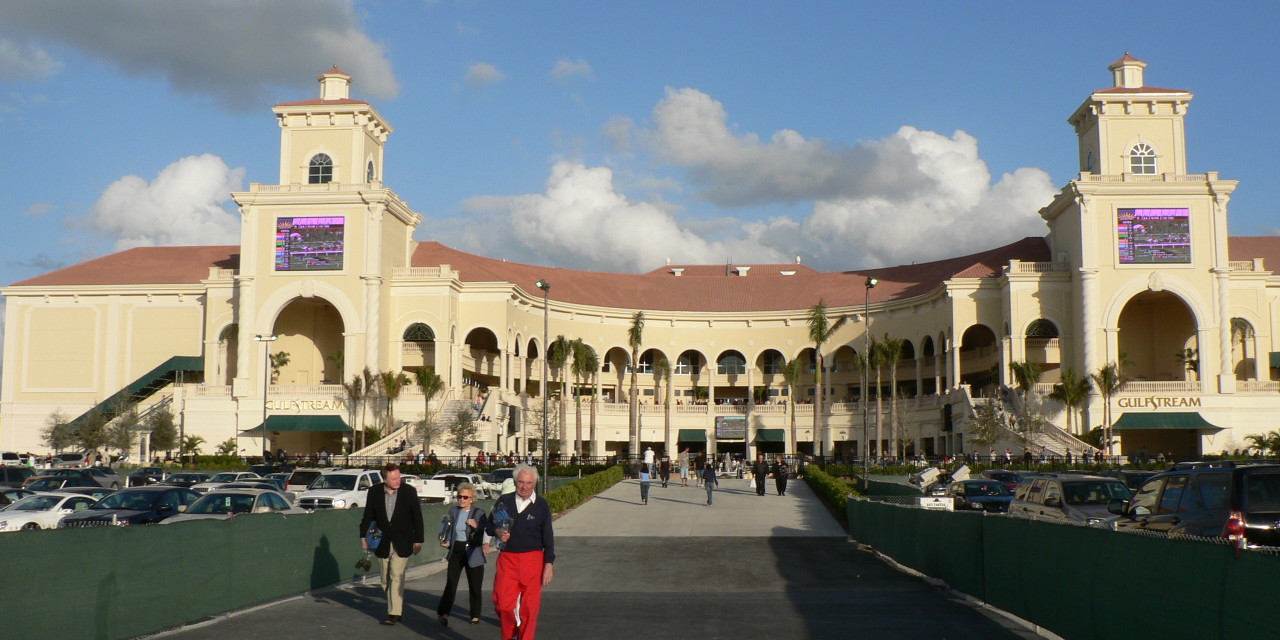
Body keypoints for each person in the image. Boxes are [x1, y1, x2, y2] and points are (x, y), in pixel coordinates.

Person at [487, 464, 555, 640]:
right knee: (502, 605)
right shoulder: (504, 501)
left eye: (529, 483)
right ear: (515, 481)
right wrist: (497, 532)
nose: (525, 486)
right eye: (521, 482)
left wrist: (549, 564)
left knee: (530, 609)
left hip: (533, 560)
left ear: (535, 483)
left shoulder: (541, 505)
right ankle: (511, 633)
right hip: (507, 559)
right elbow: (488, 525)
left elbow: (548, 536)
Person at [359, 463, 424, 626]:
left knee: (396, 575)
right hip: (381, 542)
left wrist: (419, 539)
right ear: (385, 479)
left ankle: (393, 613)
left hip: (403, 541)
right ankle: (396, 607)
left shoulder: (409, 492)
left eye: (399, 477)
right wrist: (363, 536)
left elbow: (417, 516)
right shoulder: (374, 492)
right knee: (385, 579)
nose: (398, 481)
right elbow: (368, 515)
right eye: (394, 478)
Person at [436, 482, 491, 627]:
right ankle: (444, 613)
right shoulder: (454, 511)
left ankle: (475, 615)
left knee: (475, 585)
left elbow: (487, 530)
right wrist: (446, 541)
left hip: (473, 551)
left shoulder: (479, 513)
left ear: (472, 498)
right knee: (451, 583)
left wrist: (476, 526)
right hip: (456, 550)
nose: (462, 499)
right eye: (459, 496)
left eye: (465, 497)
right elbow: (447, 527)